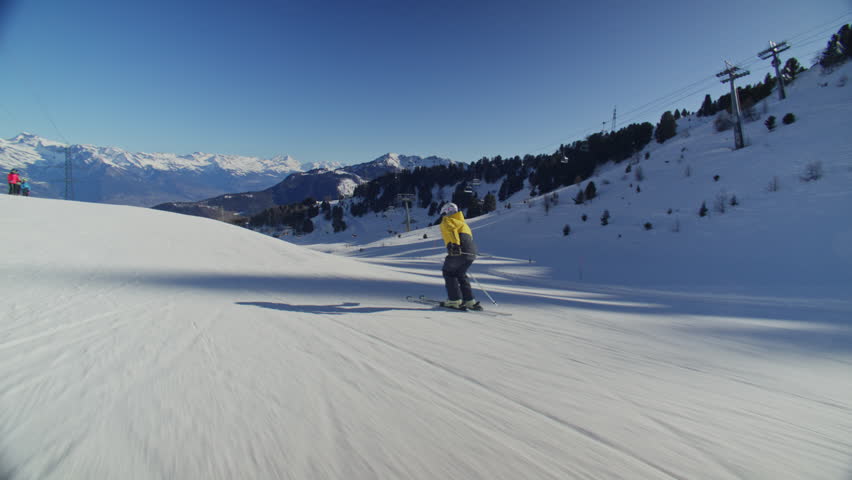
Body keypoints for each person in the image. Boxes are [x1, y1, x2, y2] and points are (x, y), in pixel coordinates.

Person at [439, 202, 481, 310]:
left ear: (446, 211)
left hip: (458, 251)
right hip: (471, 253)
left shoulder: (447, 220)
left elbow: (452, 231)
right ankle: (469, 300)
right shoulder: (463, 224)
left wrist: (454, 246)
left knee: (448, 272)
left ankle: (454, 300)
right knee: (461, 274)